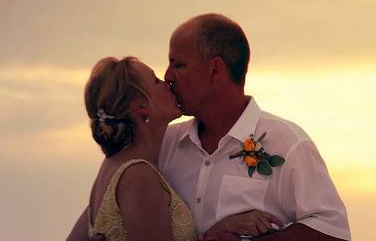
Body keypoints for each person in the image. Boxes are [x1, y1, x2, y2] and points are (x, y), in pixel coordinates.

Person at [159, 13, 351, 240]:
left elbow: (332, 232)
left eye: (178, 65)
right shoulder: (164, 144)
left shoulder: (288, 143)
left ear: (215, 69)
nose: (167, 76)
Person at [67, 57, 198, 240]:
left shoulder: (111, 167)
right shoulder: (138, 175)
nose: (167, 83)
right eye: (155, 81)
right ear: (141, 107)